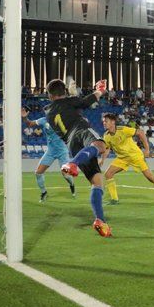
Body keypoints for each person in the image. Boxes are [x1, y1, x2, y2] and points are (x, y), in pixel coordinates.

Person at [52, 79, 112, 237]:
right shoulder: (68, 102)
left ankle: (100, 220)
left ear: (50, 96)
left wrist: (71, 94)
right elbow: (85, 103)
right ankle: (72, 164)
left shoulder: (49, 112)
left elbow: (71, 108)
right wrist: (100, 90)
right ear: (63, 92)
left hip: (71, 144)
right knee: (101, 145)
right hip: (81, 130)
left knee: (97, 180)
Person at [98, 113, 154, 205]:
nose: (104, 123)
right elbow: (107, 148)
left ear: (113, 122)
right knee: (108, 174)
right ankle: (114, 199)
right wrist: (102, 159)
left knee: (150, 177)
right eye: (103, 121)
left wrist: (147, 149)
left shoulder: (123, 130)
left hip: (135, 156)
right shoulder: (106, 136)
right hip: (122, 158)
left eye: (106, 121)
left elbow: (140, 132)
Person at [21, 108, 76, 202]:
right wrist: (25, 118)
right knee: (38, 173)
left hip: (62, 151)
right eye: (46, 112)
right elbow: (30, 124)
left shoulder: (62, 120)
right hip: (50, 151)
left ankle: (71, 184)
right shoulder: (43, 120)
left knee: (66, 175)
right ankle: (44, 193)